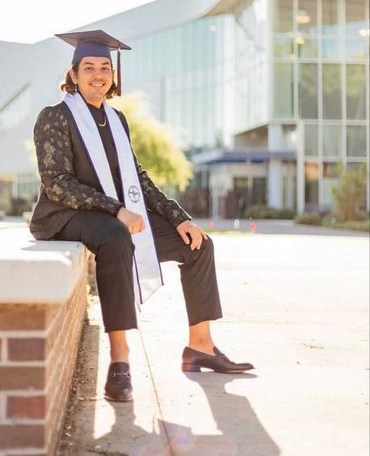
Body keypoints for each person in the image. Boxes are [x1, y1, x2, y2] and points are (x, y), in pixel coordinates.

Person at [29, 30, 254, 402]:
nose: (98, 74)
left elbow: (137, 178)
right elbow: (57, 183)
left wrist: (179, 217)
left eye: (105, 67)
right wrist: (116, 209)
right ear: (73, 75)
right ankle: (120, 360)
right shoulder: (55, 117)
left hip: (115, 213)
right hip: (63, 216)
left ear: (113, 76)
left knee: (197, 245)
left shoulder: (117, 120)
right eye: (89, 67)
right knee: (116, 238)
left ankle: (201, 346)